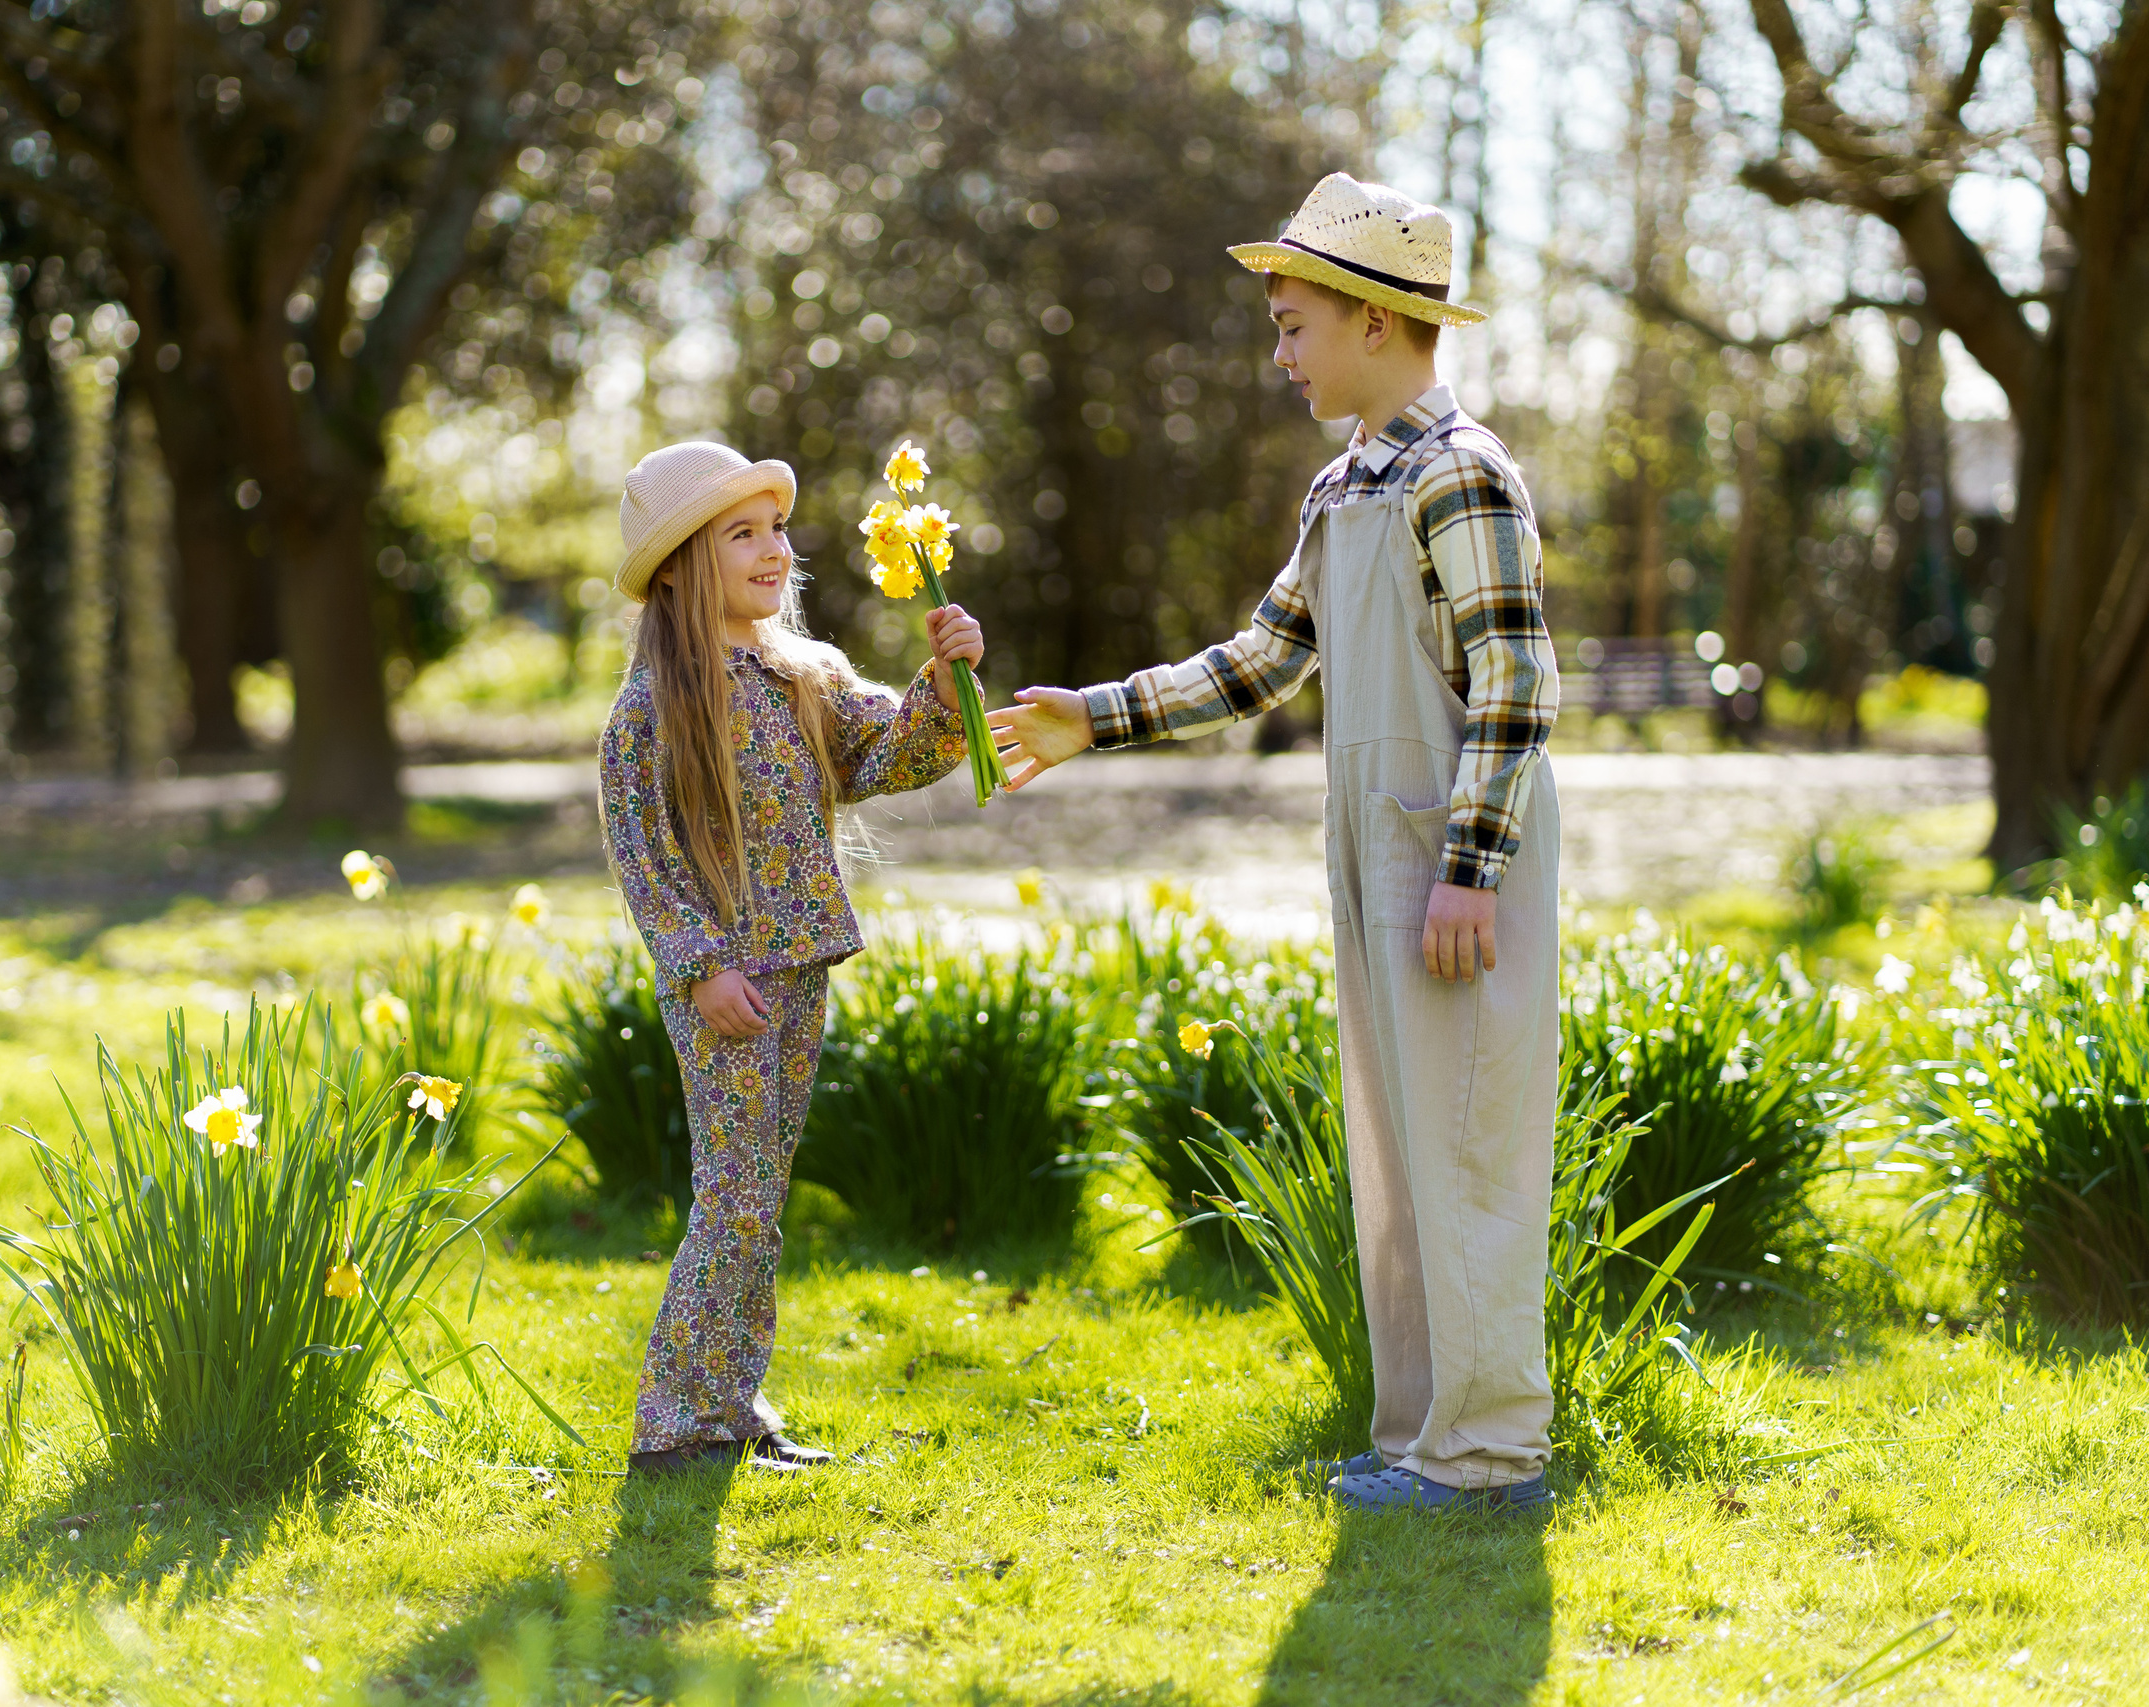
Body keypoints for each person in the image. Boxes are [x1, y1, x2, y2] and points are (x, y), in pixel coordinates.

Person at [989, 175, 1564, 1514]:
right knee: (1398, 1142)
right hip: (1375, 853)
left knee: (1469, 1140)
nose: (1282, 352)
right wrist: (1097, 716)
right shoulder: (1347, 479)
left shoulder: (1461, 473)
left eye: (1297, 322)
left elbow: (1517, 686)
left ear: (1374, 320)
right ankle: (1421, 1436)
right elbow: (1262, 664)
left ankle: (1492, 1454)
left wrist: (1469, 867)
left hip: (1455, 863)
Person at [599, 440, 985, 1476]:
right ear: (680, 564)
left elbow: (892, 752)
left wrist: (944, 682)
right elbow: (644, 855)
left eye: (776, 528)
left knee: (759, 1198)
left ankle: (731, 1406)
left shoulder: (801, 676)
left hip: (799, 965)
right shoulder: (655, 707)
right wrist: (698, 965)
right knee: (732, 1195)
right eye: (742, 533)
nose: (774, 549)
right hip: (725, 981)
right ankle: (677, 1423)